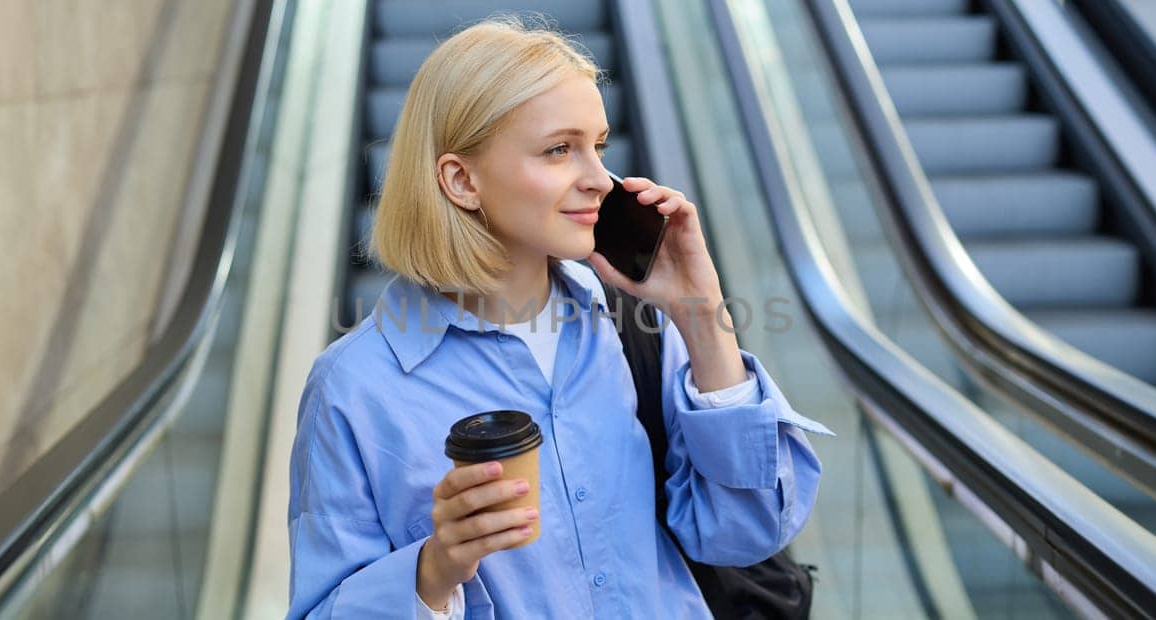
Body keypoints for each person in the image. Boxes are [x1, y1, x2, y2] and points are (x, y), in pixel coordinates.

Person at [286, 15, 830, 619]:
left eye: (597, 146)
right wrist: (433, 571)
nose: (600, 179)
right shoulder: (354, 389)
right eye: (559, 150)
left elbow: (746, 533)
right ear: (461, 180)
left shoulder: (633, 331)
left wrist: (702, 315)